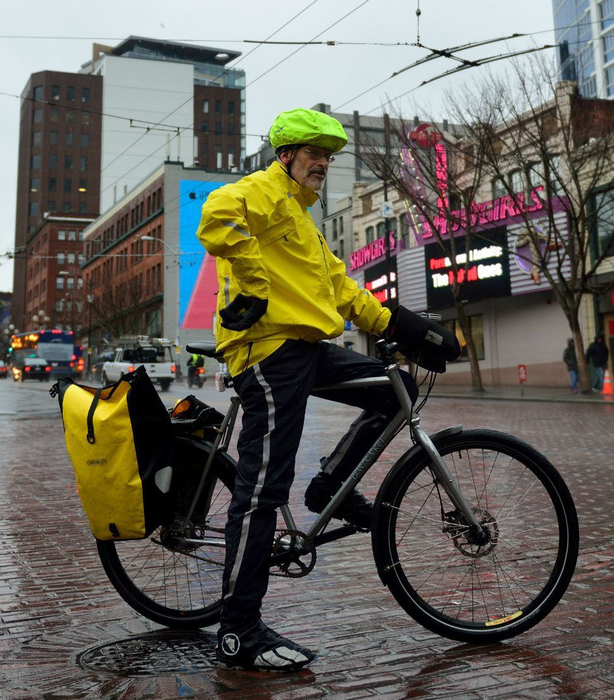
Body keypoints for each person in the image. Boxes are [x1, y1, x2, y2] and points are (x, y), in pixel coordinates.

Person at [196, 108, 418, 672]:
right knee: (264, 489)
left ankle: (331, 484)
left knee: (396, 390)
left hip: (306, 346)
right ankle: (238, 631)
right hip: (269, 350)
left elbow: (341, 288)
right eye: (313, 154)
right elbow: (216, 216)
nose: (322, 164)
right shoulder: (264, 191)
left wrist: (401, 327)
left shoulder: (301, 218)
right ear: (286, 156)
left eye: (328, 157)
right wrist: (254, 283)